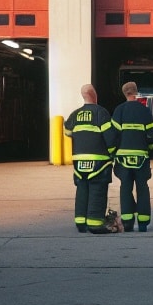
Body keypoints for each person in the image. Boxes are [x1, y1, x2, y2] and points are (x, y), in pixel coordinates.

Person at [63, 84, 117, 234]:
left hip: (79, 161)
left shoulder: (75, 115)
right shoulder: (101, 113)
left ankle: (81, 222)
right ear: (95, 95)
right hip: (99, 161)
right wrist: (113, 153)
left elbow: (67, 132)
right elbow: (110, 137)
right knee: (97, 189)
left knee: (82, 189)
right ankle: (95, 223)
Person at [110, 81, 153, 232]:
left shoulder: (119, 110)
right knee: (142, 187)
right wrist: (147, 149)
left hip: (123, 157)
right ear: (136, 92)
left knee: (125, 188)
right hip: (141, 156)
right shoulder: (145, 111)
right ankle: (143, 223)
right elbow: (151, 134)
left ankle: (128, 223)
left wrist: (113, 152)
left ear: (124, 93)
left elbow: (113, 135)